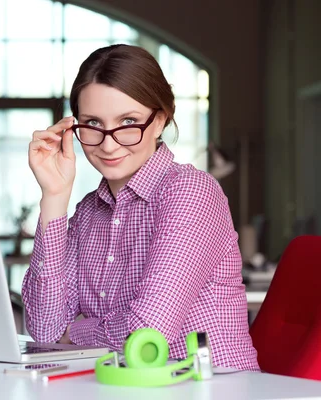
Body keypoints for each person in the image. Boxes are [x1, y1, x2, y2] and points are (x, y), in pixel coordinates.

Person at [22, 44, 260, 371]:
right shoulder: (88, 211)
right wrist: (54, 197)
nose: (108, 143)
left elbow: (147, 331)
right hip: (121, 386)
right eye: (92, 123)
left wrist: (74, 332)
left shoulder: (192, 193)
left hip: (209, 386)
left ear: (160, 120)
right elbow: (45, 331)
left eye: (129, 121)